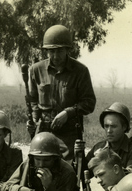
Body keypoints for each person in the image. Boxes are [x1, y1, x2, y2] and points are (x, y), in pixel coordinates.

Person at [28, 25, 96, 161]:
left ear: (67, 49)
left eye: (59, 51)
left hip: (69, 133)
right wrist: (34, 118)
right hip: (44, 130)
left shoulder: (80, 71)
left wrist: (68, 113)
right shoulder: (36, 70)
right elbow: (33, 99)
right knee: (37, 167)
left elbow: (89, 103)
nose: (55, 56)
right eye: (51, 51)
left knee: (69, 172)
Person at [86, 103, 132, 174]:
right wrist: (79, 155)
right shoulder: (99, 147)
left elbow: (128, 177)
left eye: (113, 126)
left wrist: (104, 161)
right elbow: (83, 172)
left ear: (124, 127)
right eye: (106, 126)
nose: (109, 131)